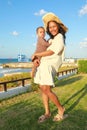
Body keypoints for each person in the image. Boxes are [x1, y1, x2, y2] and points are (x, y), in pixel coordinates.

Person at [32, 12, 68, 123]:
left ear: (58, 27)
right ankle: (47, 113)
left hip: (49, 67)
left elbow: (51, 51)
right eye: (50, 27)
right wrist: (37, 59)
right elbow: (42, 51)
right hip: (43, 65)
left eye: (54, 26)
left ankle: (61, 109)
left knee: (46, 89)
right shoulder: (50, 40)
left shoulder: (59, 37)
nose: (52, 28)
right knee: (43, 89)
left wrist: (37, 55)